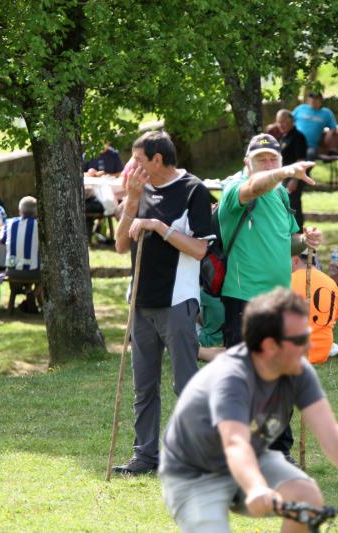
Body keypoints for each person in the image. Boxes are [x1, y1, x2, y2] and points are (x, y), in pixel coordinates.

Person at [158, 288, 338, 533]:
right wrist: (256, 487)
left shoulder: (296, 370)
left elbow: (331, 435)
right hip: (193, 473)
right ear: (270, 346)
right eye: (301, 339)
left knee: (307, 497)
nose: (308, 346)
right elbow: (235, 443)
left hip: (252, 457)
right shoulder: (231, 379)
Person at [111, 131, 213, 476]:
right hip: (140, 302)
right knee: (144, 385)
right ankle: (145, 456)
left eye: (138, 160)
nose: (132, 166)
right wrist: (132, 200)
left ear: (158, 159)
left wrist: (159, 226)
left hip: (178, 301)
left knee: (185, 383)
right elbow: (121, 245)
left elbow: (201, 249)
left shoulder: (193, 191)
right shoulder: (139, 189)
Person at [218, 133, 322, 349]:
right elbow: (254, 188)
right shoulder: (234, 188)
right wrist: (283, 172)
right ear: (247, 162)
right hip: (244, 297)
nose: (268, 165)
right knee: (244, 371)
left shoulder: (281, 194)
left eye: (273, 159)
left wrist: (305, 240)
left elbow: (288, 242)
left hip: (279, 297)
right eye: (261, 160)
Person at [290, 251, 338, 364]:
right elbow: (334, 318)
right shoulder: (331, 283)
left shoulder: (287, 280)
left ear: (295, 260)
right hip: (322, 352)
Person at [276, 109, 309, 229]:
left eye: (283, 121)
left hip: (293, 178)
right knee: (285, 206)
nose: (281, 125)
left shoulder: (298, 137)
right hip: (283, 177)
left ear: (292, 121)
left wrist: (295, 180)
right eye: (279, 122)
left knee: (293, 206)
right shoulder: (283, 136)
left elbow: (300, 161)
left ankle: (298, 233)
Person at [1, 196, 40, 279]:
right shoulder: (39, 225)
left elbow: (2, 241)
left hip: (11, 271)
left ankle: (18, 290)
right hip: (34, 272)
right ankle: (36, 291)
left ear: (20, 210)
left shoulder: (9, 223)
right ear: (36, 211)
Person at [292, 91, 337, 160]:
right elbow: (289, 121)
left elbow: (333, 127)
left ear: (321, 100)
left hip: (311, 146)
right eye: (311, 97)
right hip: (294, 142)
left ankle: (304, 171)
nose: (313, 100)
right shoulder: (300, 108)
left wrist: (330, 133)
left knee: (310, 155)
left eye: (316, 98)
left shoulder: (326, 113)